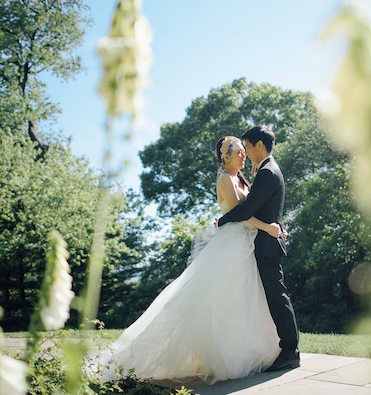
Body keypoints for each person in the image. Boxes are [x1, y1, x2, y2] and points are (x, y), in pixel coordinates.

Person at [96, 136, 285, 384]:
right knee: (224, 301)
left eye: (244, 151)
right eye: (239, 152)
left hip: (245, 244)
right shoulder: (225, 179)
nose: (244, 155)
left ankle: (248, 352)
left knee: (244, 299)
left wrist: (274, 226)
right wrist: (269, 228)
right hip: (233, 243)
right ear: (226, 156)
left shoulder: (240, 178)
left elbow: (252, 207)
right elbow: (242, 215)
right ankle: (225, 357)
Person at [217, 125, 300, 371]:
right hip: (263, 243)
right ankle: (286, 349)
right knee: (273, 297)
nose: (246, 153)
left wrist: (221, 221)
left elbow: (245, 209)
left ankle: (289, 352)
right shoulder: (265, 170)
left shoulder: (267, 172)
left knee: (277, 297)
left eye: (248, 147)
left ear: (259, 146)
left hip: (267, 245)